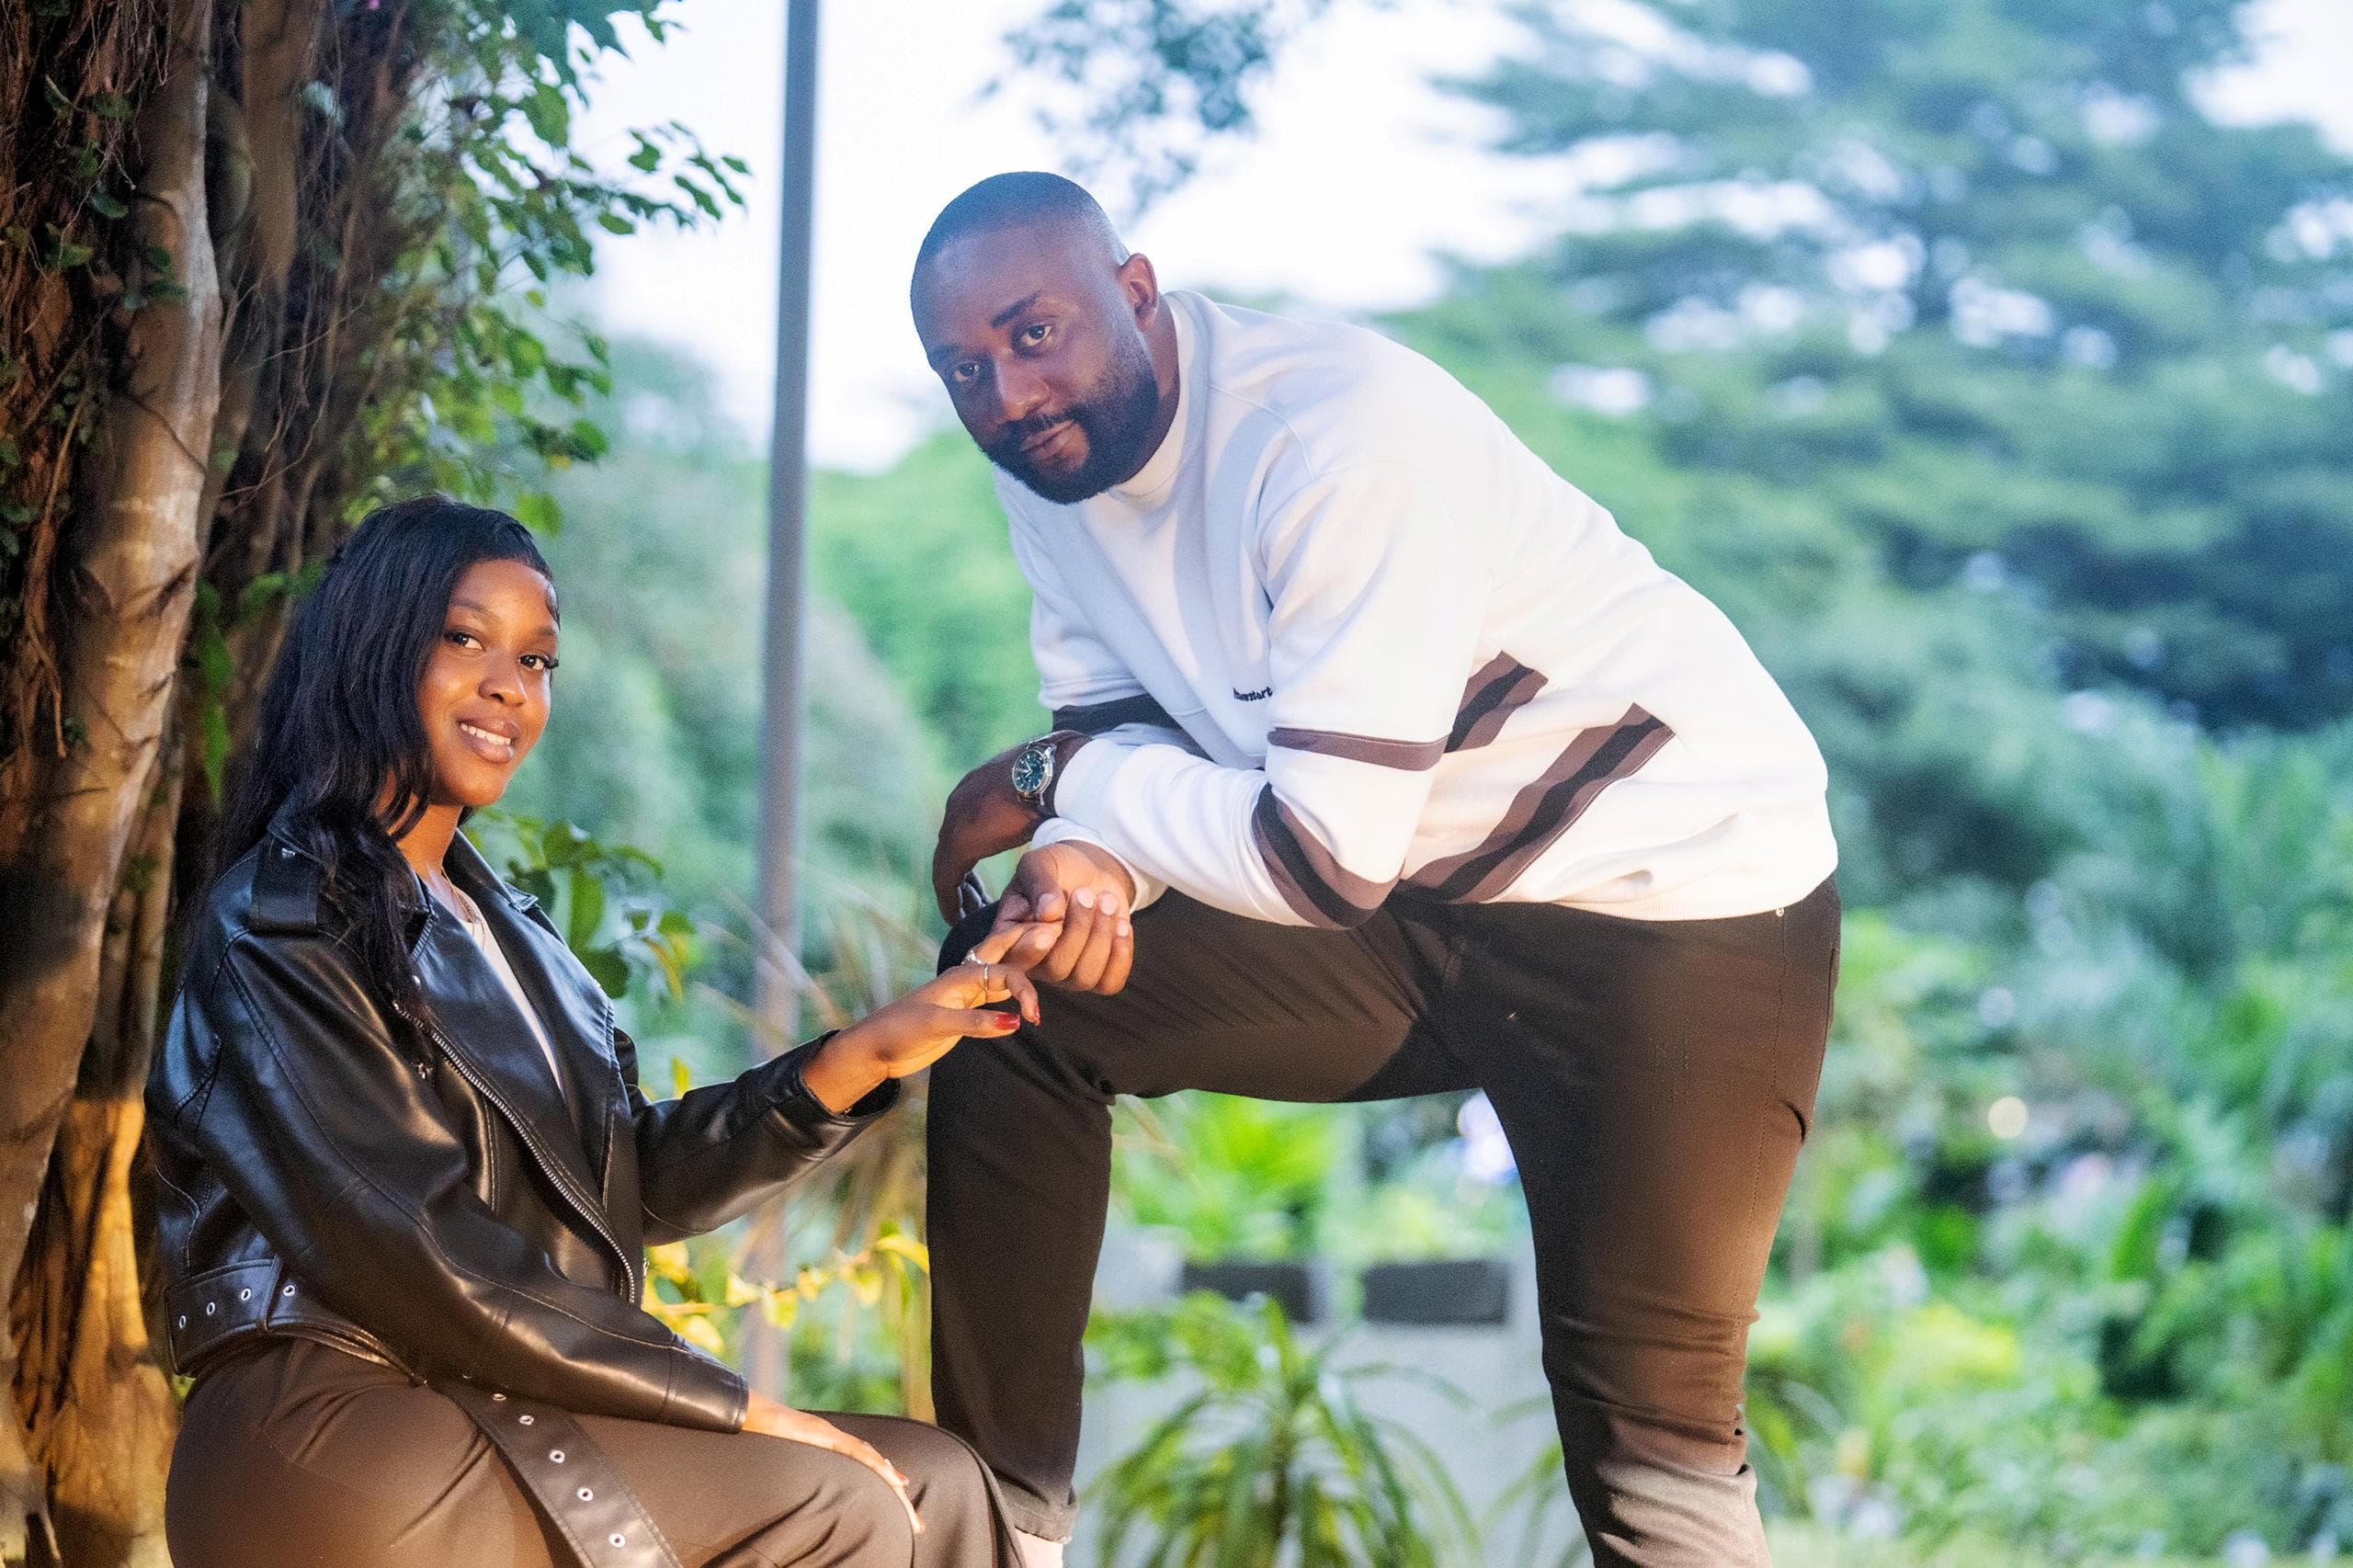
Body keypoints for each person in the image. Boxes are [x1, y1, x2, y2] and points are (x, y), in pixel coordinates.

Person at [912, 173, 1842, 1568]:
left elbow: (1315, 857)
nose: (1006, 392)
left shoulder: (1336, 437)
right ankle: (1004, 1532)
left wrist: (1056, 791)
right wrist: (1079, 852)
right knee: (1018, 1004)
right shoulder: (1054, 466)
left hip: (1677, 899)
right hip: (1413, 889)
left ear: (1139, 292)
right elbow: (1120, 728)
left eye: (1033, 333)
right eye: (963, 367)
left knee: (1645, 1423)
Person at [149, 496, 1053, 1568]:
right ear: (374, 644)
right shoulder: (285, 914)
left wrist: (858, 1058)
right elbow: (412, 1237)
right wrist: (729, 1404)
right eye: (465, 637)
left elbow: (618, 1183)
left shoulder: (522, 945)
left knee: (940, 1480)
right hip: (332, 1414)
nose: (508, 686)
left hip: (481, 1382)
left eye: (538, 661)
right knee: (832, 1499)